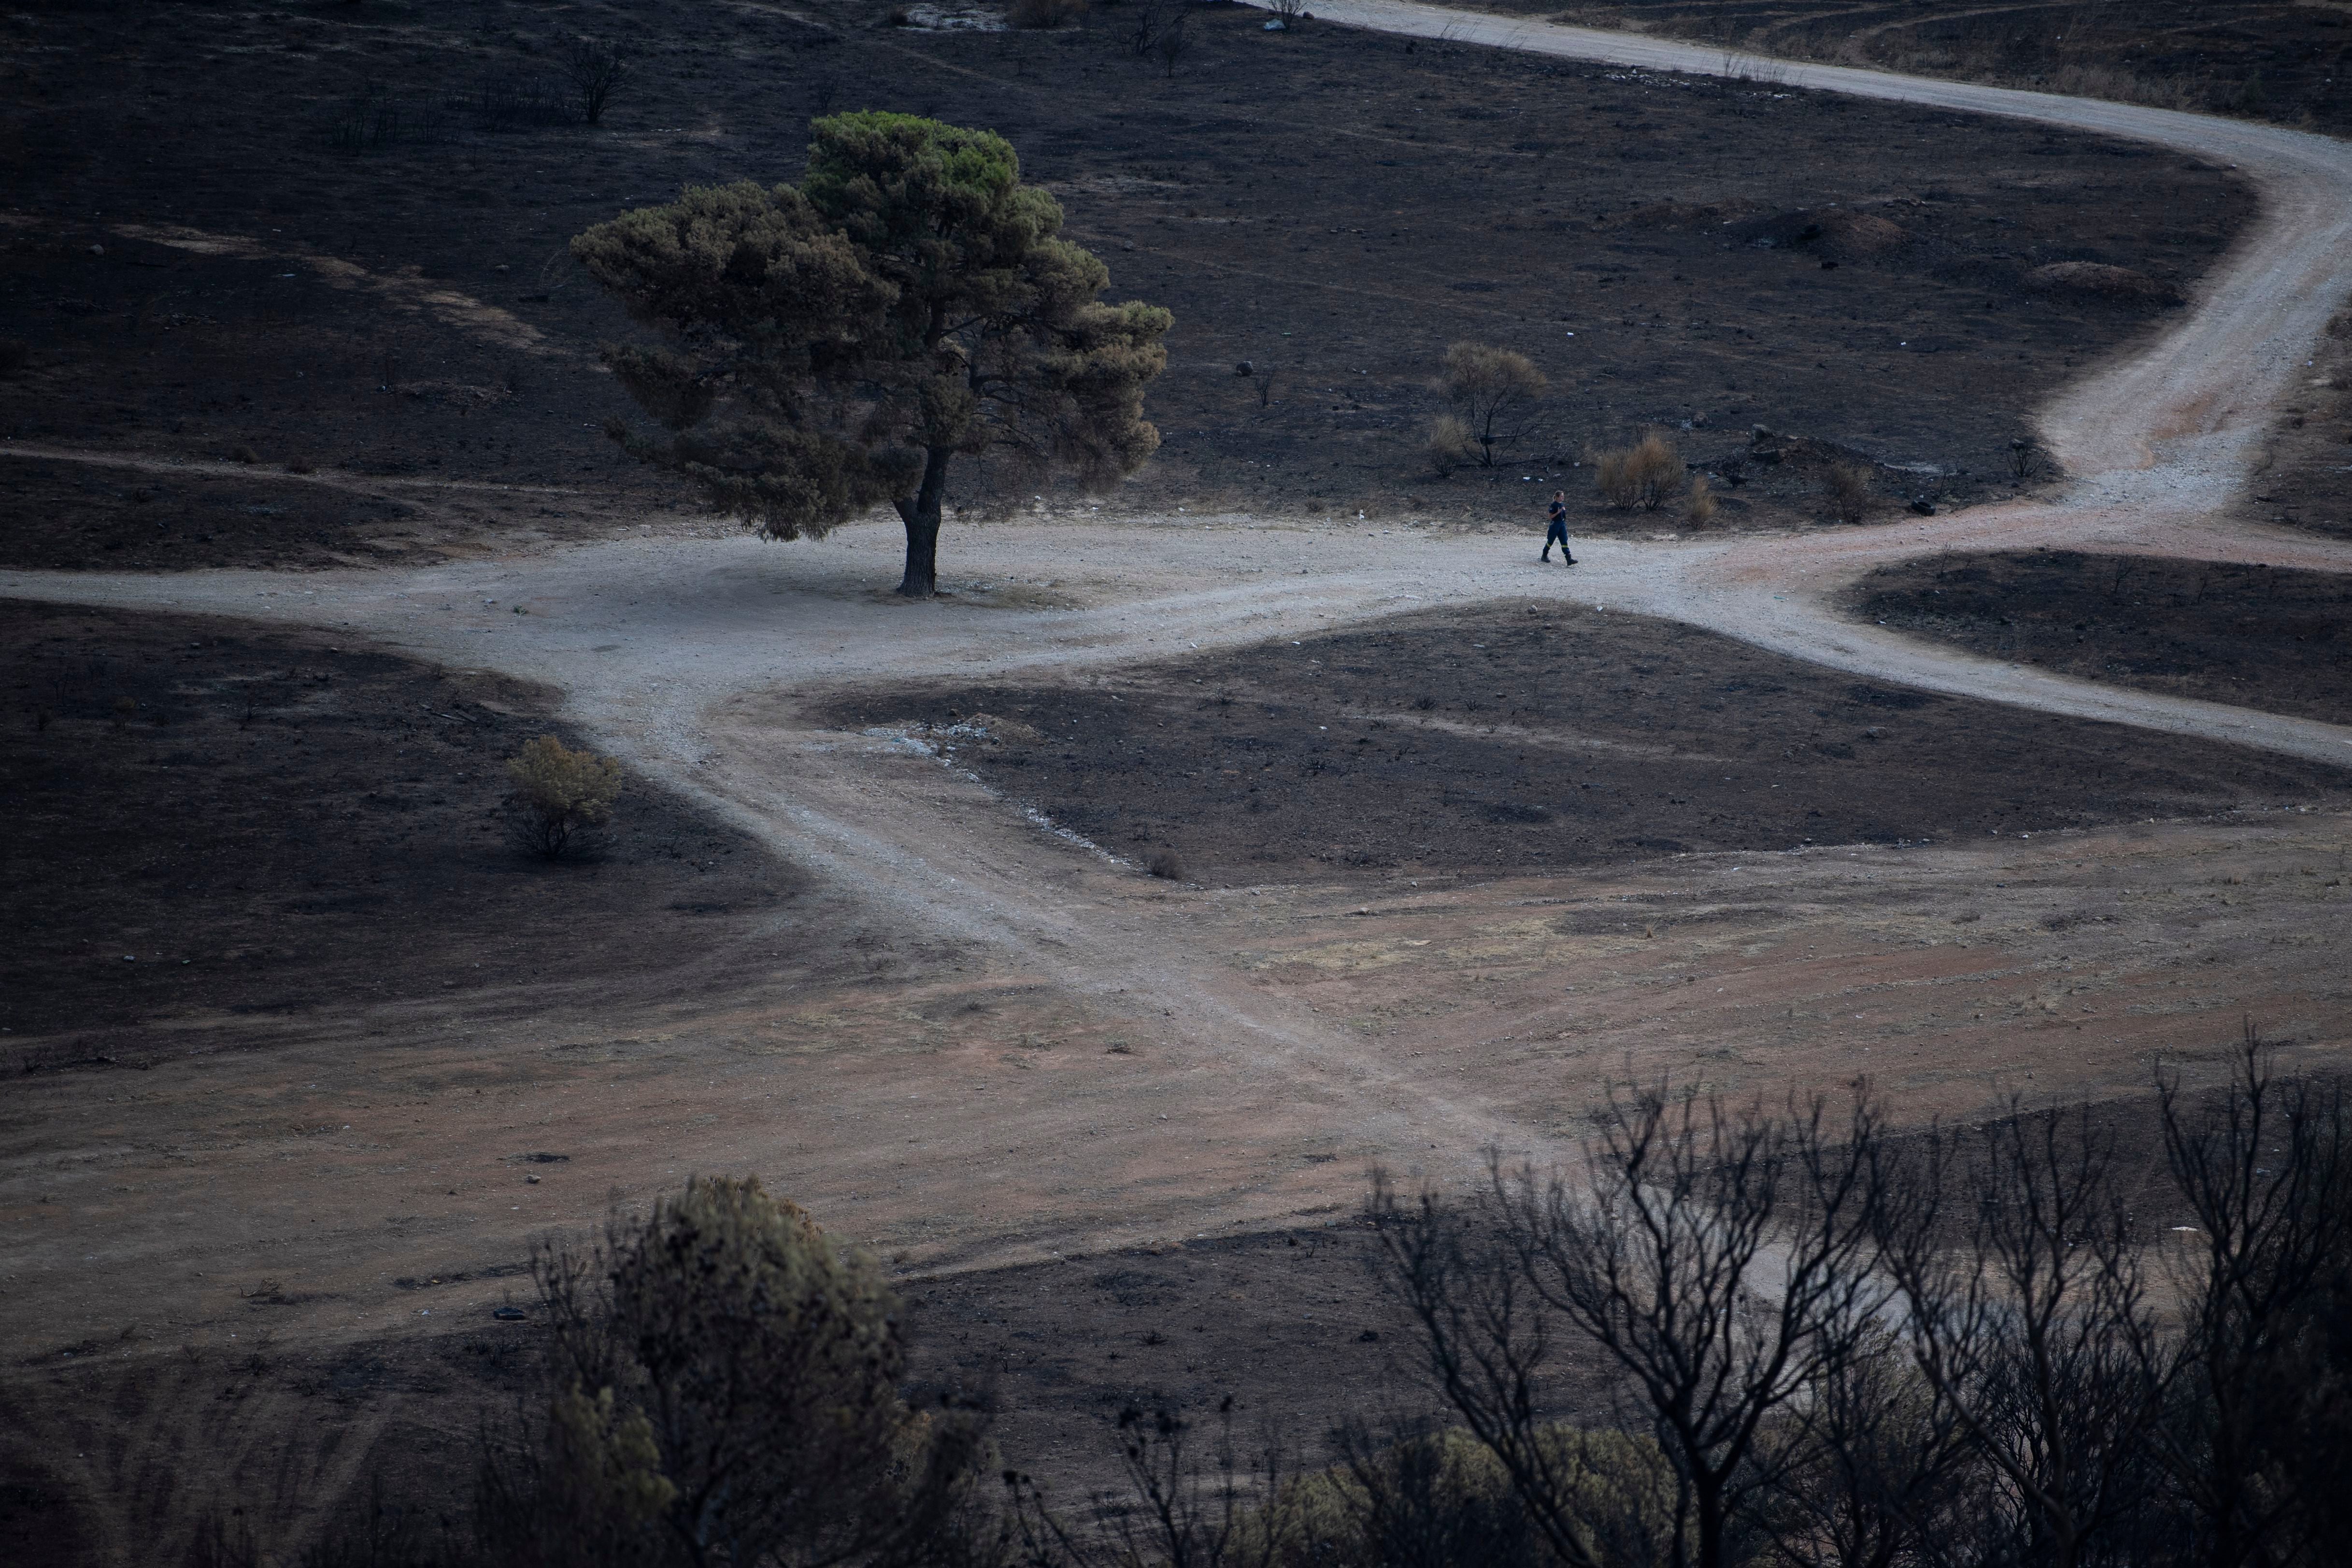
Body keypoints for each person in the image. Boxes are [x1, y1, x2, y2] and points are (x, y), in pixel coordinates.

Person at [1542, 489, 1576, 565]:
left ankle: (1568, 558)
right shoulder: (1554, 505)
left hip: (1562, 524)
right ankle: (1544, 555)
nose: (1563, 498)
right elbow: (1550, 517)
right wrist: (1558, 513)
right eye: (1561, 496)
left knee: (1564, 541)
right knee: (1551, 541)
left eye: (1563, 496)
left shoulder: (1562, 504)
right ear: (1557, 497)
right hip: (1555, 525)